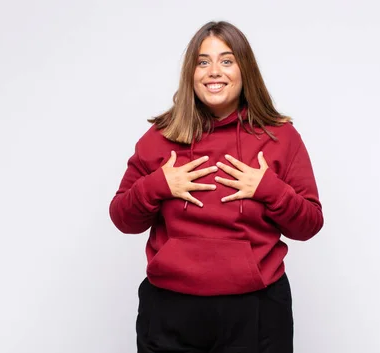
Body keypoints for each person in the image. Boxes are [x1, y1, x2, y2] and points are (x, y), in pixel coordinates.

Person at [109, 20, 324, 353]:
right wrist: (158, 185)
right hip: (170, 308)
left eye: (226, 60)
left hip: (256, 308)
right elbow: (123, 219)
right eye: (202, 61)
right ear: (191, 73)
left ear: (244, 70)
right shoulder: (159, 138)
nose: (214, 71)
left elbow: (309, 223)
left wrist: (268, 189)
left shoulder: (280, 137)